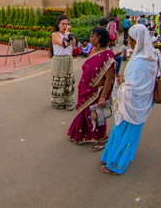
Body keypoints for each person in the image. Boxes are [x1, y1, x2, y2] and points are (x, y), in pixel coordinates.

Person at [100, 24, 158, 174]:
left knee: (122, 132)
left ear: (136, 40)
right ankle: (112, 157)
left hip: (131, 104)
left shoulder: (139, 60)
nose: (130, 42)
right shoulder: (153, 56)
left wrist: (121, 82)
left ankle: (115, 164)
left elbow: (131, 88)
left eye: (131, 39)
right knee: (131, 133)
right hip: (144, 103)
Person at [67, 27, 115, 150]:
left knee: (97, 115)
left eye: (92, 36)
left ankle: (102, 139)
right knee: (84, 113)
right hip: (85, 89)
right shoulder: (92, 50)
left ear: (99, 38)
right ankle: (83, 135)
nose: (90, 38)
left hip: (96, 92)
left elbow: (109, 78)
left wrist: (103, 97)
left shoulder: (107, 55)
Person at [50, 15, 76, 110]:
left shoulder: (69, 34)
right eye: (63, 24)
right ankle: (58, 102)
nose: (65, 26)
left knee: (68, 80)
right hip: (59, 60)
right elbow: (64, 44)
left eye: (67, 24)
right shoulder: (55, 35)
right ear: (58, 25)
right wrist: (66, 33)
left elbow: (70, 49)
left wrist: (73, 42)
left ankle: (68, 101)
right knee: (59, 81)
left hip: (68, 59)